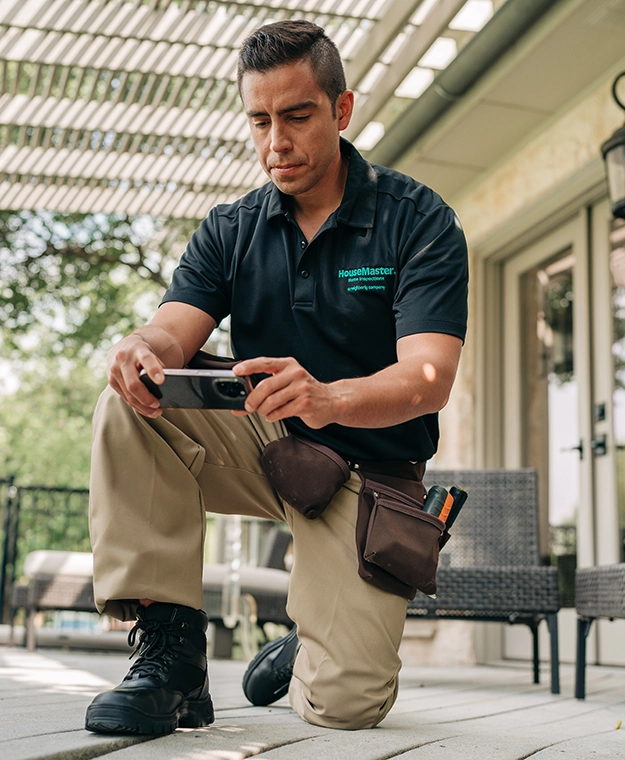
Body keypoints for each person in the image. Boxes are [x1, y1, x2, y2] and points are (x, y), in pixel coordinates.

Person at [85, 18, 468, 735]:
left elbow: (428, 375)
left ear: (341, 109)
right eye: (258, 120)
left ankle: (313, 640)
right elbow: (172, 331)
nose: (275, 143)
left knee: (345, 707)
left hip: (369, 476)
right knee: (132, 402)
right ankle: (171, 657)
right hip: (262, 448)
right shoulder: (230, 228)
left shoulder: (418, 221)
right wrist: (139, 346)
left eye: (295, 116)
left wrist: (330, 398)